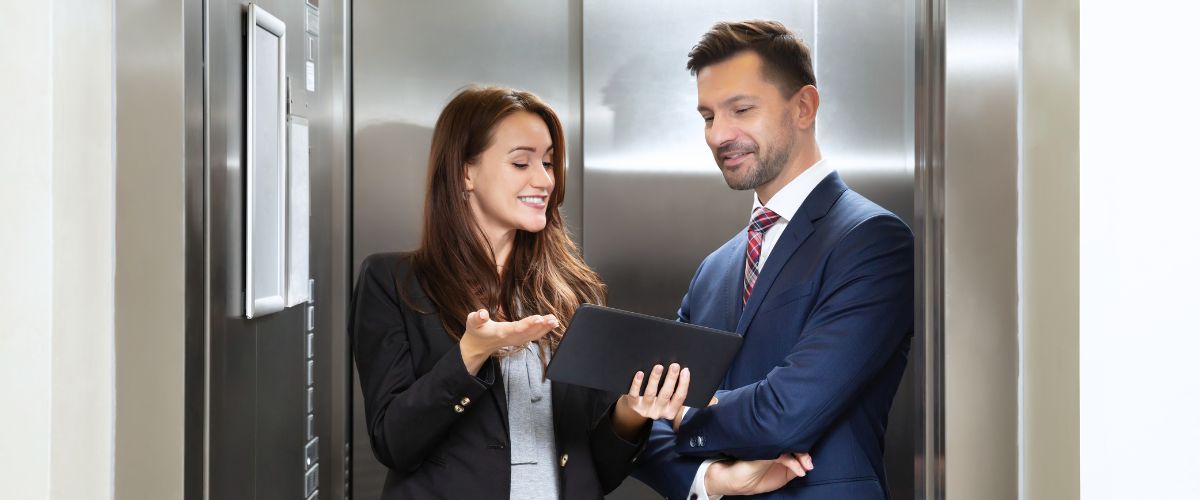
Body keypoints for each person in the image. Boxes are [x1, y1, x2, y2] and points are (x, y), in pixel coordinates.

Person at [351, 85, 691, 499]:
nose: (544, 179)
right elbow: (393, 442)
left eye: (548, 162)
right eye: (521, 162)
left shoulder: (574, 291)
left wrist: (631, 413)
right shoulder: (393, 281)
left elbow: (599, 470)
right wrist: (470, 355)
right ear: (465, 172)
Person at [632, 20, 915, 499]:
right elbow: (647, 428)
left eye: (741, 109)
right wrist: (714, 480)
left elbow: (788, 411)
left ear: (804, 106)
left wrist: (686, 414)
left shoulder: (872, 241)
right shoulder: (714, 269)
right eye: (707, 116)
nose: (719, 134)